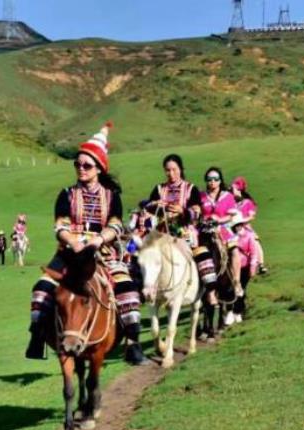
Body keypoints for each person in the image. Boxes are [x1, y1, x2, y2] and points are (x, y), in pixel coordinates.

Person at [26, 123, 148, 366]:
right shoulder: (66, 194)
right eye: (77, 164)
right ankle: (37, 336)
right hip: (69, 253)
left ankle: (133, 343)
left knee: (128, 292)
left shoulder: (112, 197)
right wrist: (74, 241)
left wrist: (98, 239)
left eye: (87, 165)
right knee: (40, 290)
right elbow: (60, 225)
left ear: (99, 168)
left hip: (103, 252)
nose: (81, 169)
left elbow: (115, 226)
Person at [145, 154, 217, 292]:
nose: (171, 173)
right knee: (143, 255)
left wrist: (182, 211)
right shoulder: (159, 189)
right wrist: (157, 206)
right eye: (167, 170)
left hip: (184, 232)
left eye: (174, 169)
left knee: (202, 254)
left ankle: (210, 291)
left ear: (180, 169)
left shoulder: (191, 189)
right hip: (162, 233)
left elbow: (197, 211)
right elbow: (148, 208)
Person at [199, 167, 243, 308]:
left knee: (235, 251)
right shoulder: (201, 196)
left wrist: (218, 220)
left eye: (215, 179)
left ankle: (236, 281)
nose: (212, 182)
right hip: (204, 231)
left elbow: (231, 215)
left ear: (220, 181)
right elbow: (196, 214)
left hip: (222, 229)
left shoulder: (227, 196)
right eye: (209, 179)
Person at [224, 213, 260, 325]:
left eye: (239, 224)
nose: (238, 226)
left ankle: (237, 312)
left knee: (241, 289)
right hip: (231, 266)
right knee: (229, 289)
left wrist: (253, 267)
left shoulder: (249, 236)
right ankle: (229, 311)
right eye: (235, 225)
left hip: (245, 267)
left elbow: (254, 253)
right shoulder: (229, 237)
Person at [231, 176, 268, 274]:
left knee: (255, 241)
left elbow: (251, 216)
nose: (231, 192)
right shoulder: (233, 203)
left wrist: (242, 221)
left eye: (233, 189)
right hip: (233, 228)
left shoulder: (247, 202)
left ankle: (261, 264)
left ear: (239, 190)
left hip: (245, 227)